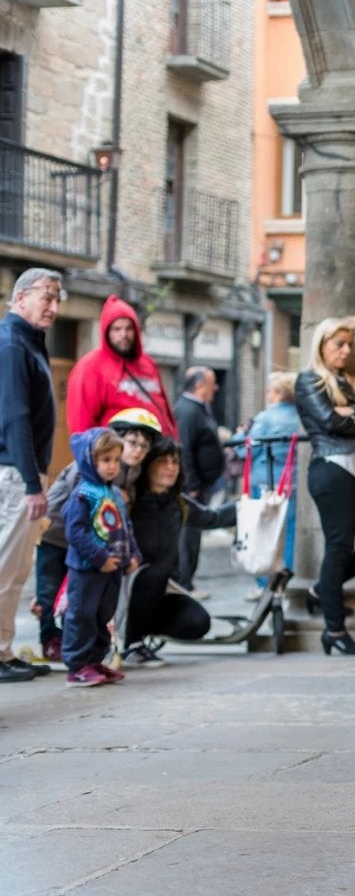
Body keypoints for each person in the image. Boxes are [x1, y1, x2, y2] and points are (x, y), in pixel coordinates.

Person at [296, 316, 355, 656]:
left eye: (349, 344)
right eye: (339, 344)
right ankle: (334, 629)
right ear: (322, 345)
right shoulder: (309, 380)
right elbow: (328, 422)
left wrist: (351, 410)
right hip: (331, 469)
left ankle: (323, 590)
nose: (346, 350)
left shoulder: (351, 381)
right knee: (338, 546)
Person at [34, 408, 160, 664]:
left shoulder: (130, 471)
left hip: (88, 544)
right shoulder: (88, 468)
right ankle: (50, 639)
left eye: (144, 447)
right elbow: (79, 508)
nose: (138, 450)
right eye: (133, 443)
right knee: (49, 591)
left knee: (79, 598)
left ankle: (81, 647)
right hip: (57, 533)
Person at [0, 268, 61, 683]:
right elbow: (15, 416)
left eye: (58, 299)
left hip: (21, 474)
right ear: (20, 298)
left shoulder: (26, 342)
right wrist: (32, 483)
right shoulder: (10, 344)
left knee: (17, 572)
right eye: (46, 297)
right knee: (4, 569)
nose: (54, 307)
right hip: (12, 475)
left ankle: (3, 651)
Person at [124, 436, 232, 665]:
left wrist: (249, 506)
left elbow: (211, 518)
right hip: (125, 589)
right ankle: (130, 644)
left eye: (175, 462)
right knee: (153, 571)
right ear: (148, 464)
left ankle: (140, 630)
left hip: (161, 590)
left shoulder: (177, 502)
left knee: (197, 622)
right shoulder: (129, 499)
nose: (171, 467)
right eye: (163, 461)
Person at [62, 428, 140, 687]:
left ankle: (94, 660)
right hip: (87, 569)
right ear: (90, 460)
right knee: (82, 614)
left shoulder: (114, 494)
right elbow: (75, 532)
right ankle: (77, 665)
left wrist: (132, 554)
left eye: (116, 460)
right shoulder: (83, 494)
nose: (112, 466)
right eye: (106, 460)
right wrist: (98, 558)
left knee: (102, 615)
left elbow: (124, 527)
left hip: (113, 568)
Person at [66, 294, 178, 438]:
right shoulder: (91, 366)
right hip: (118, 454)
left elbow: (165, 411)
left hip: (157, 453)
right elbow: (80, 423)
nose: (124, 334)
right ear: (107, 332)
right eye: (117, 329)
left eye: (129, 328)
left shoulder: (148, 364)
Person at [242, 373, 301, 581]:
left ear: (277, 394)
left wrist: (240, 434)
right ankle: (287, 577)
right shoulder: (301, 416)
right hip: (294, 481)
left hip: (267, 481)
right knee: (291, 531)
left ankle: (265, 580)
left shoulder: (265, 418)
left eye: (269, 391)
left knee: (266, 529)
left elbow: (247, 450)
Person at [173, 366, 223, 594]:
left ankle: (187, 582)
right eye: (212, 383)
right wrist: (191, 484)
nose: (216, 388)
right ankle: (184, 584)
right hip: (192, 487)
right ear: (199, 385)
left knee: (193, 536)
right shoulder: (187, 411)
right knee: (187, 537)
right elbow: (184, 449)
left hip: (202, 484)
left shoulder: (199, 409)